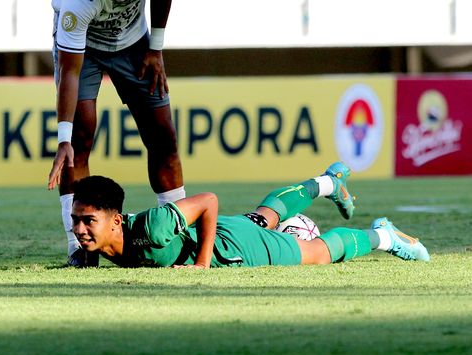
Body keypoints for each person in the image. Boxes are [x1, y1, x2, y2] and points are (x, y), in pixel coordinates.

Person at [70, 162, 430, 268]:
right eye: (76, 220)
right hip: (227, 233)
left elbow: (208, 200)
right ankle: (327, 182)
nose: (80, 229)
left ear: (116, 220)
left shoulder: (154, 227)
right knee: (264, 215)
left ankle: (384, 236)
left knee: (317, 255)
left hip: (233, 248)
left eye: (88, 221)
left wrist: (202, 265)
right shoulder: (101, 244)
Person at [48, 0, 185, 266]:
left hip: (134, 43)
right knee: (81, 135)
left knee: (164, 137)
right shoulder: (78, 5)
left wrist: (155, 48)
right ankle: (79, 249)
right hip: (84, 47)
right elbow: (70, 73)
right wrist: (63, 138)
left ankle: (180, 236)